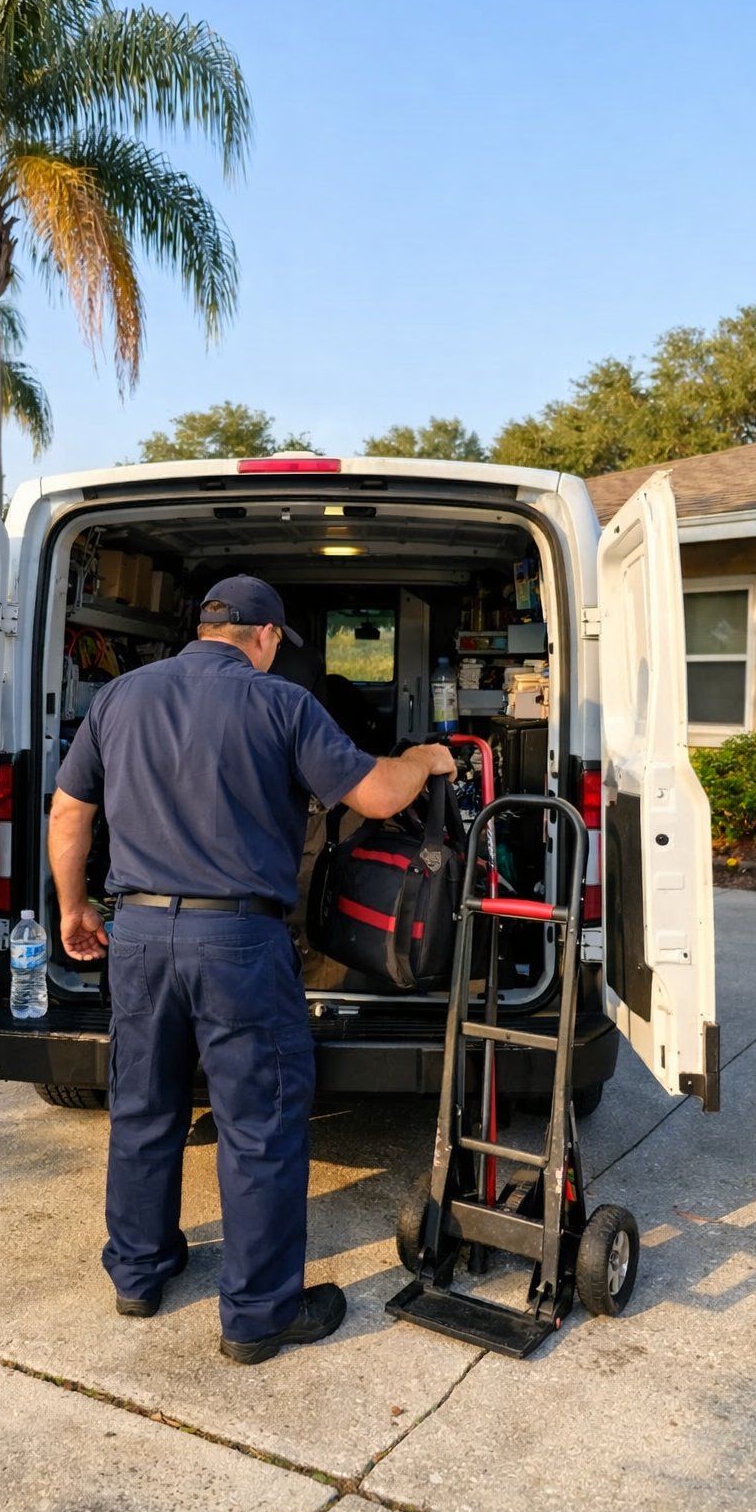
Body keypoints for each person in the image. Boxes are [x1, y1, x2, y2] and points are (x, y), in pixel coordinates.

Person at [48, 574, 455, 1365]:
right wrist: (420, 757)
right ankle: (260, 1315)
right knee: (259, 1125)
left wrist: (73, 905)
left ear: (203, 629)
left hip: (135, 935)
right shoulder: (283, 705)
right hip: (237, 941)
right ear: (265, 637)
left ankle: (140, 1271)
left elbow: (70, 812)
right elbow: (375, 797)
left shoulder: (120, 698)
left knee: (142, 1106)